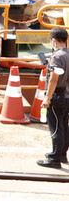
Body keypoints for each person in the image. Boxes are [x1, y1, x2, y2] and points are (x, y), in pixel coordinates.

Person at [38, 28, 68, 168]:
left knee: (56, 127)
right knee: (64, 126)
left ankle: (54, 158)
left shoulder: (57, 57)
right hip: (67, 97)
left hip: (58, 96)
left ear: (54, 41)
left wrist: (47, 98)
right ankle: (62, 154)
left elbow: (53, 80)